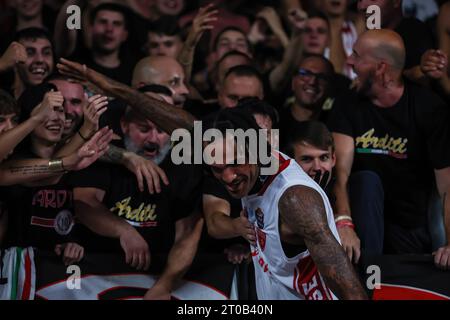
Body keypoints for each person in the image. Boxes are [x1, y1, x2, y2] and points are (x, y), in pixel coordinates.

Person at [56, 57, 367, 300]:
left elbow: (346, 282)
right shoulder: (236, 150)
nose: (228, 178)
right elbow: (172, 118)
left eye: (234, 165)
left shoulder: (296, 199)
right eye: (216, 169)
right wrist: (109, 86)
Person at [328, 29, 450, 269]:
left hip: (411, 225)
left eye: (356, 56)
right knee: (366, 181)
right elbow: (339, 172)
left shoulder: (428, 108)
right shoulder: (347, 103)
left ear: (381, 68)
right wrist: (343, 222)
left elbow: (447, 187)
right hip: (361, 224)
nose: (349, 62)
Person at [71, 87, 203, 300]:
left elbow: (187, 233)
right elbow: (84, 203)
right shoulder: (103, 156)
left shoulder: (182, 166)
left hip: (156, 276)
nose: (153, 139)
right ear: (124, 126)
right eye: (143, 129)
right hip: (96, 276)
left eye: (161, 131)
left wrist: (165, 285)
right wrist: (123, 230)